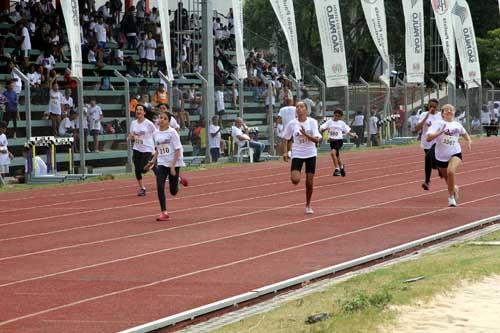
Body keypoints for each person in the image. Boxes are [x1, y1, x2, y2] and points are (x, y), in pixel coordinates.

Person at [144, 112, 188, 221]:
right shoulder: (155, 133)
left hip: (174, 162)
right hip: (162, 163)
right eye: (161, 118)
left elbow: (177, 150)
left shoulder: (172, 133)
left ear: (168, 122)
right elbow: (158, 149)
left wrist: (173, 166)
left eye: (164, 118)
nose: (162, 120)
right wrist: (153, 161)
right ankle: (164, 212)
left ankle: (178, 179)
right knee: (160, 186)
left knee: (173, 192)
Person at [426, 104, 471, 207]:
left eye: (451, 110)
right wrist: (439, 132)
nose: (449, 111)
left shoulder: (457, 125)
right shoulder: (437, 123)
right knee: (447, 178)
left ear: (454, 113)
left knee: (451, 172)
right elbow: (428, 138)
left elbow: (464, 133)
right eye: (446, 110)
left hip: (455, 153)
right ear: (442, 114)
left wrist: (468, 140)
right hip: (440, 156)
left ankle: (451, 198)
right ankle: (454, 189)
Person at [281, 101, 322, 214]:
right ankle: (295, 173)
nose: (299, 108)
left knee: (309, 182)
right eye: (297, 107)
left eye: (301, 106)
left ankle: (308, 205)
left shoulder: (312, 122)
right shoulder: (292, 123)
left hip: (310, 153)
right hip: (297, 154)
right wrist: (285, 152)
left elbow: (317, 140)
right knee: (295, 180)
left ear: (306, 109)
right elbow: (285, 138)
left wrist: (305, 134)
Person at [320, 108, 358, 177]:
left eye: (338, 116)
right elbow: (322, 129)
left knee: (332, 153)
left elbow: (347, 131)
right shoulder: (329, 122)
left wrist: (353, 135)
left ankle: (337, 170)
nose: (336, 117)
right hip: (332, 142)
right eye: (335, 115)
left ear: (341, 117)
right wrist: (324, 129)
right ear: (333, 115)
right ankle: (342, 168)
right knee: (337, 157)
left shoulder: (341, 123)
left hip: (339, 141)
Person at [128, 104, 157, 196]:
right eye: (137, 109)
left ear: (144, 112)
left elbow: (156, 134)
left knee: (143, 170)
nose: (138, 111)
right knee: (137, 170)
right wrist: (130, 138)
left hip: (147, 148)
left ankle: (152, 165)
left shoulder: (149, 123)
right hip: (137, 148)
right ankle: (142, 188)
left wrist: (156, 146)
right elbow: (131, 135)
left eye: (140, 109)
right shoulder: (133, 123)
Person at [415, 98, 442, 191]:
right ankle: (439, 168)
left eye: (434, 107)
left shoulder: (440, 115)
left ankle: (426, 181)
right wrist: (426, 117)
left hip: (437, 141)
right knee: (432, 163)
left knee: (428, 156)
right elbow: (417, 128)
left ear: (437, 107)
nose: (432, 108)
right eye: (431, 106)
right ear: (428, 106)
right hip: (427, 142)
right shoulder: (423, 114)